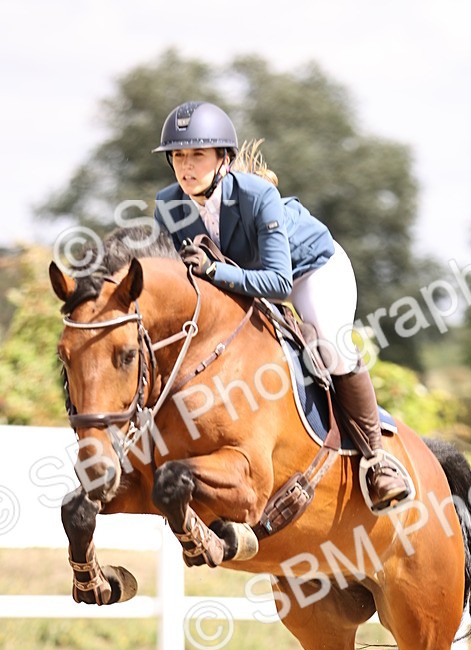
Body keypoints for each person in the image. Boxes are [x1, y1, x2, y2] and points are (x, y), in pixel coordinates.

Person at [151, 100, 410, 512]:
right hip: (244, 281)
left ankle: (377, 462)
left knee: (329, 342)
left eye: (197, 154)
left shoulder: (258, 196)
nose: (186, 166)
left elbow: (278, 281)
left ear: (223, 159)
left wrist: (214, 272)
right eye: (178, 156)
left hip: (310, 271)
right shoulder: (169, 205)